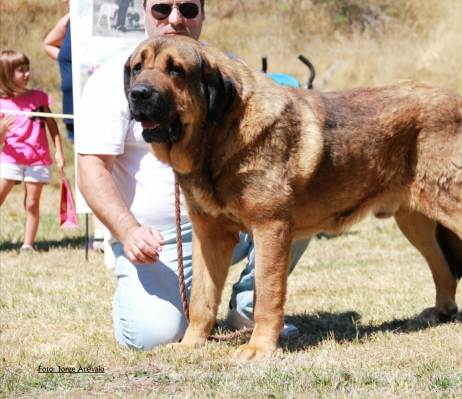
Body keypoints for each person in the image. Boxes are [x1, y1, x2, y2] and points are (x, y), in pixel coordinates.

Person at [77, 0, 311, 350]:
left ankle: (249, 308)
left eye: (186, 8)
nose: (174, 18)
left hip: (229, 214)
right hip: (156, 241)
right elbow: (90, 168)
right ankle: (159, 296)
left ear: (202, 13)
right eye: (160, 9)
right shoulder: (111, 77)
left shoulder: (227, 71)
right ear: (143, 12)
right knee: (150, 336)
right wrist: (129, 232)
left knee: (293, 200)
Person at [44, 0, 108, 251]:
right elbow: (50, 44)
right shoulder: (71, 22)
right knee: (88, 165)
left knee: (109, 163)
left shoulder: (103, 21)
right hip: (74, 108)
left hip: (100, 103)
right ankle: (100, 234)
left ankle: (110, 229)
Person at [0, 50, 65, 252]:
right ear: (6, 74)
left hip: (38, 160)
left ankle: (28, 245)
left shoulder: (39, 98)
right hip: (10, 159)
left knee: (31, 203)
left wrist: (59, 151)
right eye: (21, 71)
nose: (27, 74)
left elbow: (52, 125)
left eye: (27, 69)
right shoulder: (2, 103)